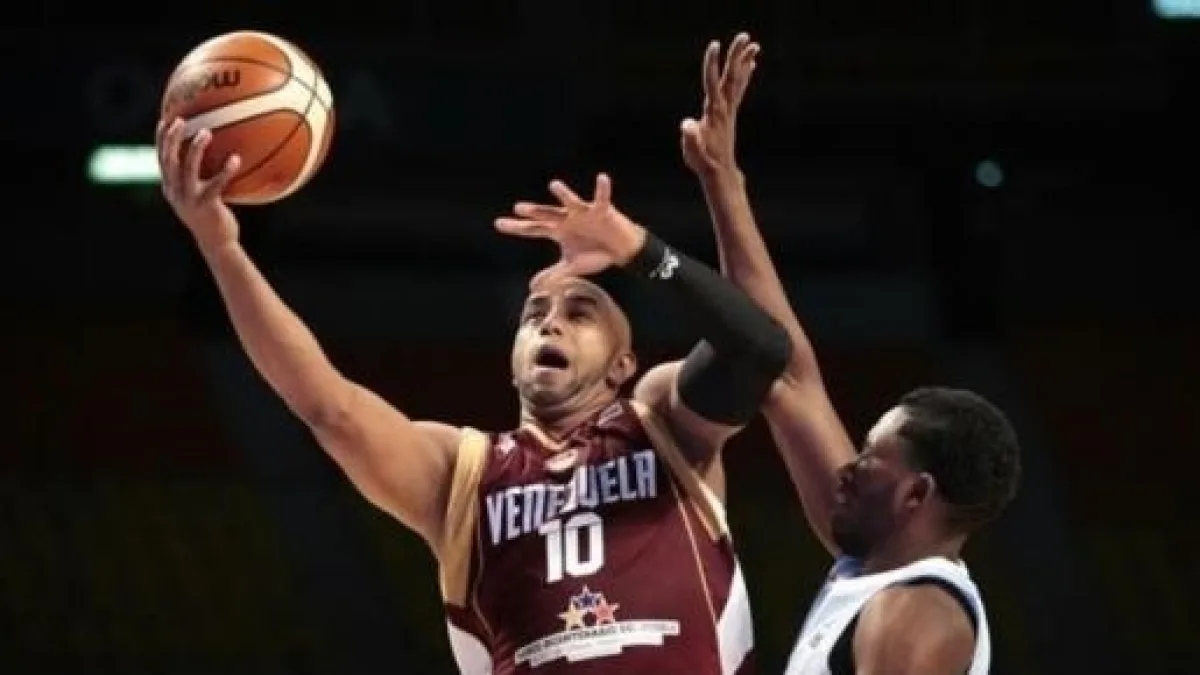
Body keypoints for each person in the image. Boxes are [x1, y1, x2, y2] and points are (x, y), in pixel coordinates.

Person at [155, 117, 791, 673]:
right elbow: (329, 408)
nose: (550, 322)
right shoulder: (462, 473)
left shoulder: (659, 420)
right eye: (534, 314)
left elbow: (760, 348)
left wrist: (638, 249)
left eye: (580, 313)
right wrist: (222, 247)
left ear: (623, 364)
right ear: (512, 363)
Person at [679, 34, 1022, 674]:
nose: (847, 468)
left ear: (916, 494)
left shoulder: (916, 613)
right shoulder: (873, 569)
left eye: (869, 457)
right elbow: (783, 373)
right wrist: (722, 179)